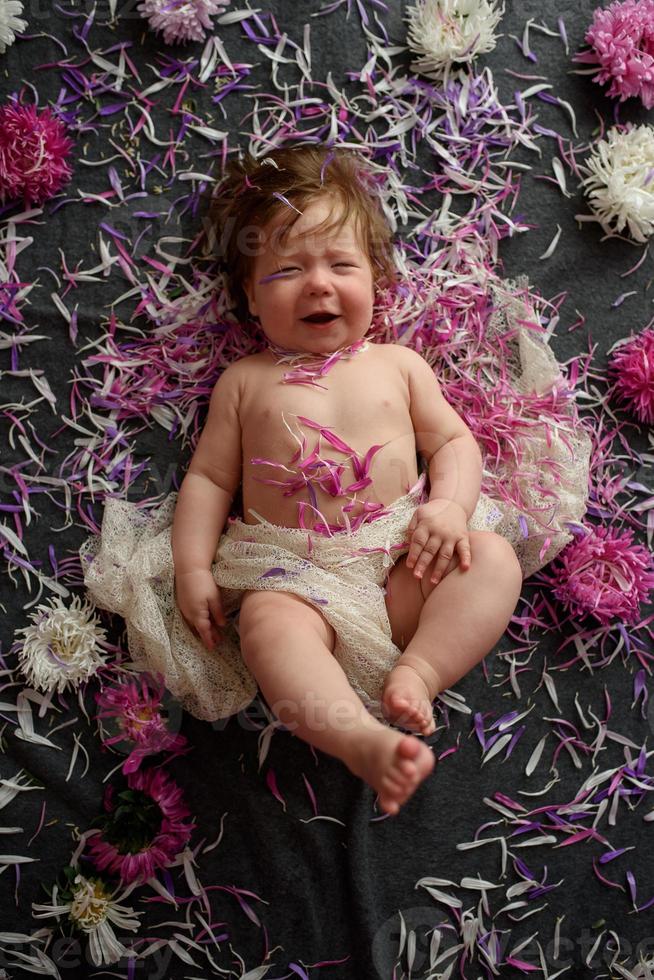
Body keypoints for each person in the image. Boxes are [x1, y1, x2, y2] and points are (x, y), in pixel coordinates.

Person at [82, 144, 588, 816]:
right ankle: (359, 741)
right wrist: (194, 566)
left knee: (493, 560)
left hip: (409, 554)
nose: (319, 284)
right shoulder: (245, 382)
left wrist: (449, 507)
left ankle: (421, 671)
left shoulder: (399, 365)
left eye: (342, 264)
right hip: (297, 573)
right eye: (287, 270)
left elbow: (453, 442)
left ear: (377, 282)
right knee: (265, 626)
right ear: (248, 301)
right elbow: (207, 478)